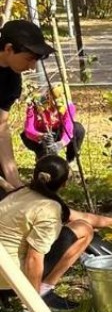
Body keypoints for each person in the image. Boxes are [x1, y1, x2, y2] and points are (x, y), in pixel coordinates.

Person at [0, 155, 112, 312]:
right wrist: (32, 305)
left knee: (82, 226)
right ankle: (43, 292)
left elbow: (81, 218)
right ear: (63, 184)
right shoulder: (48, 209)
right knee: (85, 231)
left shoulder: (19, 194)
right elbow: (34, 257)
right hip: (10, 280)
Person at [0, 20, 55, 195]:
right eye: (29, 59)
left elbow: (1, 128)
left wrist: (14, 181)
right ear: (9, 49)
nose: (32, 67)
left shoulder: (11, 81)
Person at [21, 88, 86, 163]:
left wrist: (61, 143)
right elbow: (29, 129)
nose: (56, 107)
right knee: (47, 161)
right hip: (40, 135)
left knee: (78, 129)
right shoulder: (36, 104)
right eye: (54, 103)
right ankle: (41, 157)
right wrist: (41, 136)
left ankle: (71, 160)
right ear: (48, 98)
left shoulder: (68, 105)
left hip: (58, 132)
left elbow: (68, 128)